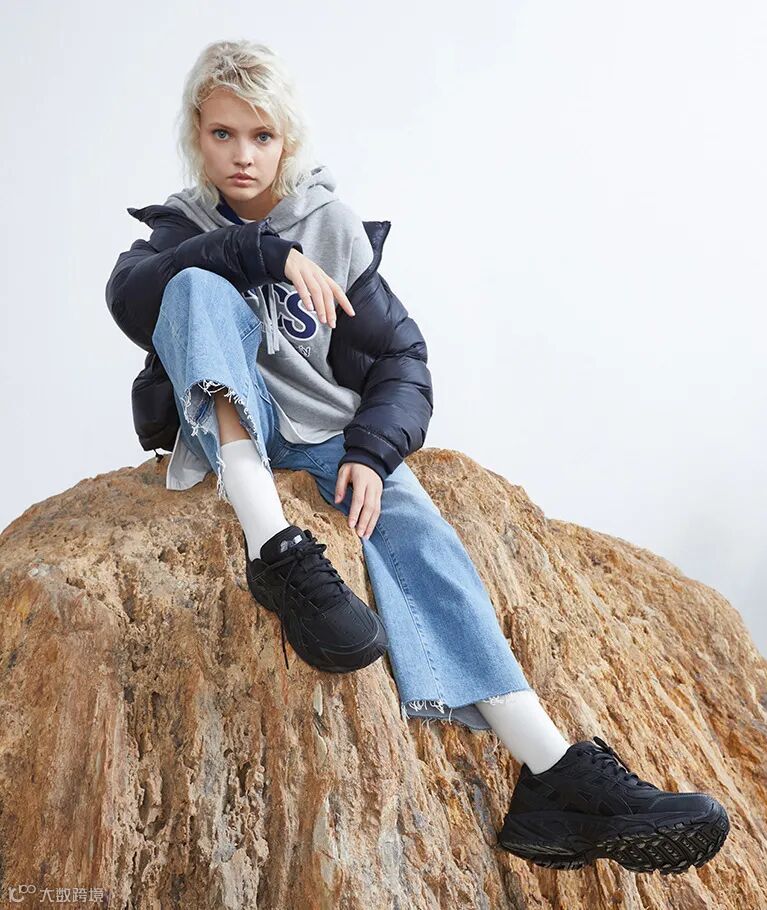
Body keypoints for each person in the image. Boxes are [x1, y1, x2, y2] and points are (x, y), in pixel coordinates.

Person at [105, 38, 730, 874]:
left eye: (261, 136)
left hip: (328, 434)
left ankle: (552, 772)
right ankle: (274, 549)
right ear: (197, 135)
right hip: (233, 423)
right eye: (223, 134)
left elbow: (402, 358)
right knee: (193, 286)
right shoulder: (177, 230)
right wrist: (261, 254)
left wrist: (370, 451)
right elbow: (133, 300)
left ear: (287, 140)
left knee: (425, 540)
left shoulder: (329, 227)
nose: (242, 155)